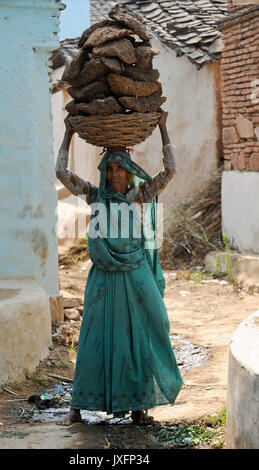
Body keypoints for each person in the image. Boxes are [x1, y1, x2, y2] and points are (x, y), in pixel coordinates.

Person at [55, 110, 183, 425]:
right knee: (93, 337)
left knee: (142, 333)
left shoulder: (140, 195)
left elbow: (170, 170)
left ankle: (138, 407)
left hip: (135, 274)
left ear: (128, 172)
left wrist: (163, 128)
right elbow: (61, 172)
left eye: (119, 169)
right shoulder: (94, 195)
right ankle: (79, 405)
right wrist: (68, 133)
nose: (114, 175)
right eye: (109, 169)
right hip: (102, 276)